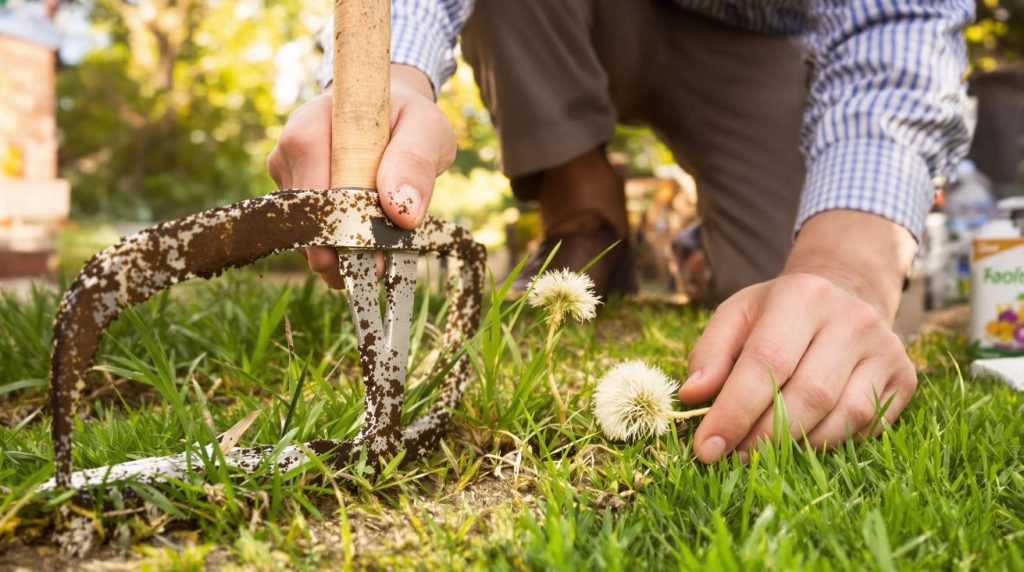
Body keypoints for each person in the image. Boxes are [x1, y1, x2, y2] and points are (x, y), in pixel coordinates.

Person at [267, 1, 974, 463]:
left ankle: (701, 250)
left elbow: (898, 24)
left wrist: (847, 267)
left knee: (789, 321)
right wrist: (386, 78)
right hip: (552, 16)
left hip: (758, 31)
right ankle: (582, 212)